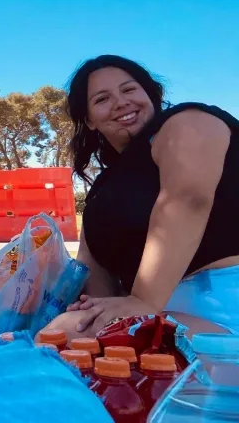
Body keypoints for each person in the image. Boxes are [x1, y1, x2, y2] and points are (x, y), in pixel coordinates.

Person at [45, 55, 239, 339]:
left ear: (150, 95)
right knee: (66, 331)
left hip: (224, 307)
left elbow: (187, 199)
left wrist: (143, 302)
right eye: (102, 99)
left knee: (64, 334)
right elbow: (92, 272)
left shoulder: (188, 121)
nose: (121, 102)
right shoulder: (102, 191)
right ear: (89, 120)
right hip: (161, 314)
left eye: (129, 89)